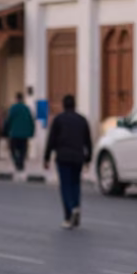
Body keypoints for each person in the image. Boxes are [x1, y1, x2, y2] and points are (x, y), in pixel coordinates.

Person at [44, 94, 92, 229]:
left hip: (63, 157)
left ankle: (68, 214)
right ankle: (76, 207)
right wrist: (88, 158)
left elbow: (51, 140)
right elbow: (88, 140)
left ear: (63, 105)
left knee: (65, 186)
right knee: (76, 184)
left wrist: (46, 158)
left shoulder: (58, 120)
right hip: (78, 158)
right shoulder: (82, 120)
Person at [3, 92, 35, 172]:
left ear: (16, 99)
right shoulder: (26, 108)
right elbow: (31, 121)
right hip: (24, 134)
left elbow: (8, 120)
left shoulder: (13, 108)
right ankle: (21, 163)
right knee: (23, 150)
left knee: (13, 149)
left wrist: (5, 131)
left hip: (14, 133)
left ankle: (17, 162)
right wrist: (31, 132)